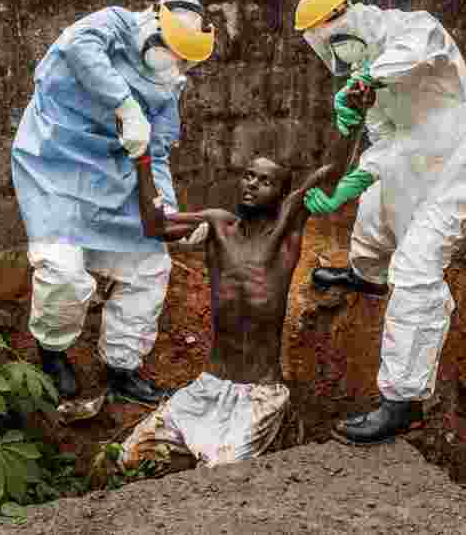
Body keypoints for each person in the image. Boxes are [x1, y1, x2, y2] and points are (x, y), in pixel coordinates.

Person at [294, 0, 466, 445]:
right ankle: (365, 275)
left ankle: (403, 401)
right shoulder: (366, 78)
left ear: (356, 11)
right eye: (332, 50)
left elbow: (413, 52)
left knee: (415, 270)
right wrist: (347, 189)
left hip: (462, 162)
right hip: (413, 163)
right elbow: (385, 145)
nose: (342, 54)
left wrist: (367, 79)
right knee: (373, 209)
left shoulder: (414, 28)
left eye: (340, 36)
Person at [116, 90, 368, 468]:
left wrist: (354, 119)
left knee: (222, 474)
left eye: (265, 181)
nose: (251, 184)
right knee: (129, 458)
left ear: (282, 193)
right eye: (249, 175)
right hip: (209, 385)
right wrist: (142, 158)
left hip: (258, 395)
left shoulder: (285, 233)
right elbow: (155, 224)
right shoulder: (219, 225)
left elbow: (330, 173)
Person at [10, 0, 216, 406]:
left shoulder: (167, 85)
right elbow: (75, 48)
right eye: (172, 52)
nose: (175, 64)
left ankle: (122, 367)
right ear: (154, 28)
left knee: (149, 267)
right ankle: (52, 354)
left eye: (184, 60)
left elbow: (155, 153)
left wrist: (168, 211)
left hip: (113, 172)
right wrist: (125, 106)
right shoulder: (112, 24)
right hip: (55, 160)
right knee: (63, 272)